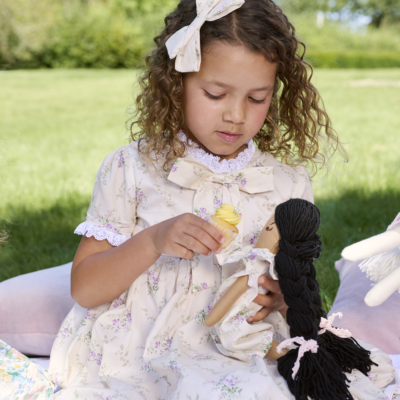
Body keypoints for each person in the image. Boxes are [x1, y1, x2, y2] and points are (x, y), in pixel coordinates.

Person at [0, 0, 396, 398]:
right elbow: (86, 289)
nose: (236, 115)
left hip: (244, 342)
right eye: (215, 94)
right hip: (145, 346)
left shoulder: (285, 182)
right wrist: (153, 241)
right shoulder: (131, 168)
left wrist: (282, 300)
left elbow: (301, 292)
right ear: (177, 83)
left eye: (256, 99)